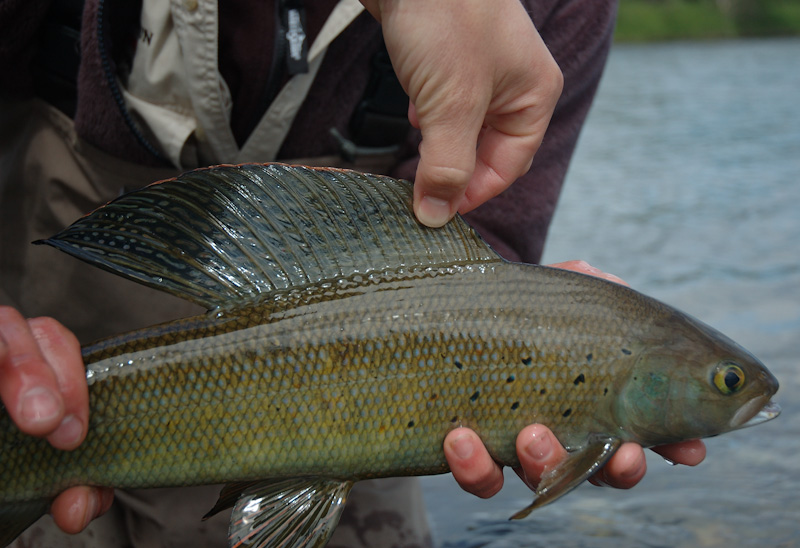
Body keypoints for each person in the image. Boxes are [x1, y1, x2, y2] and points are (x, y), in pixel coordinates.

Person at [0, 0, 705, 546]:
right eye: (725, 382)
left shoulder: (566, 8)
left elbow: (486, 230)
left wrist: (547, 335)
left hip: (371, 413)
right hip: (38, 357)